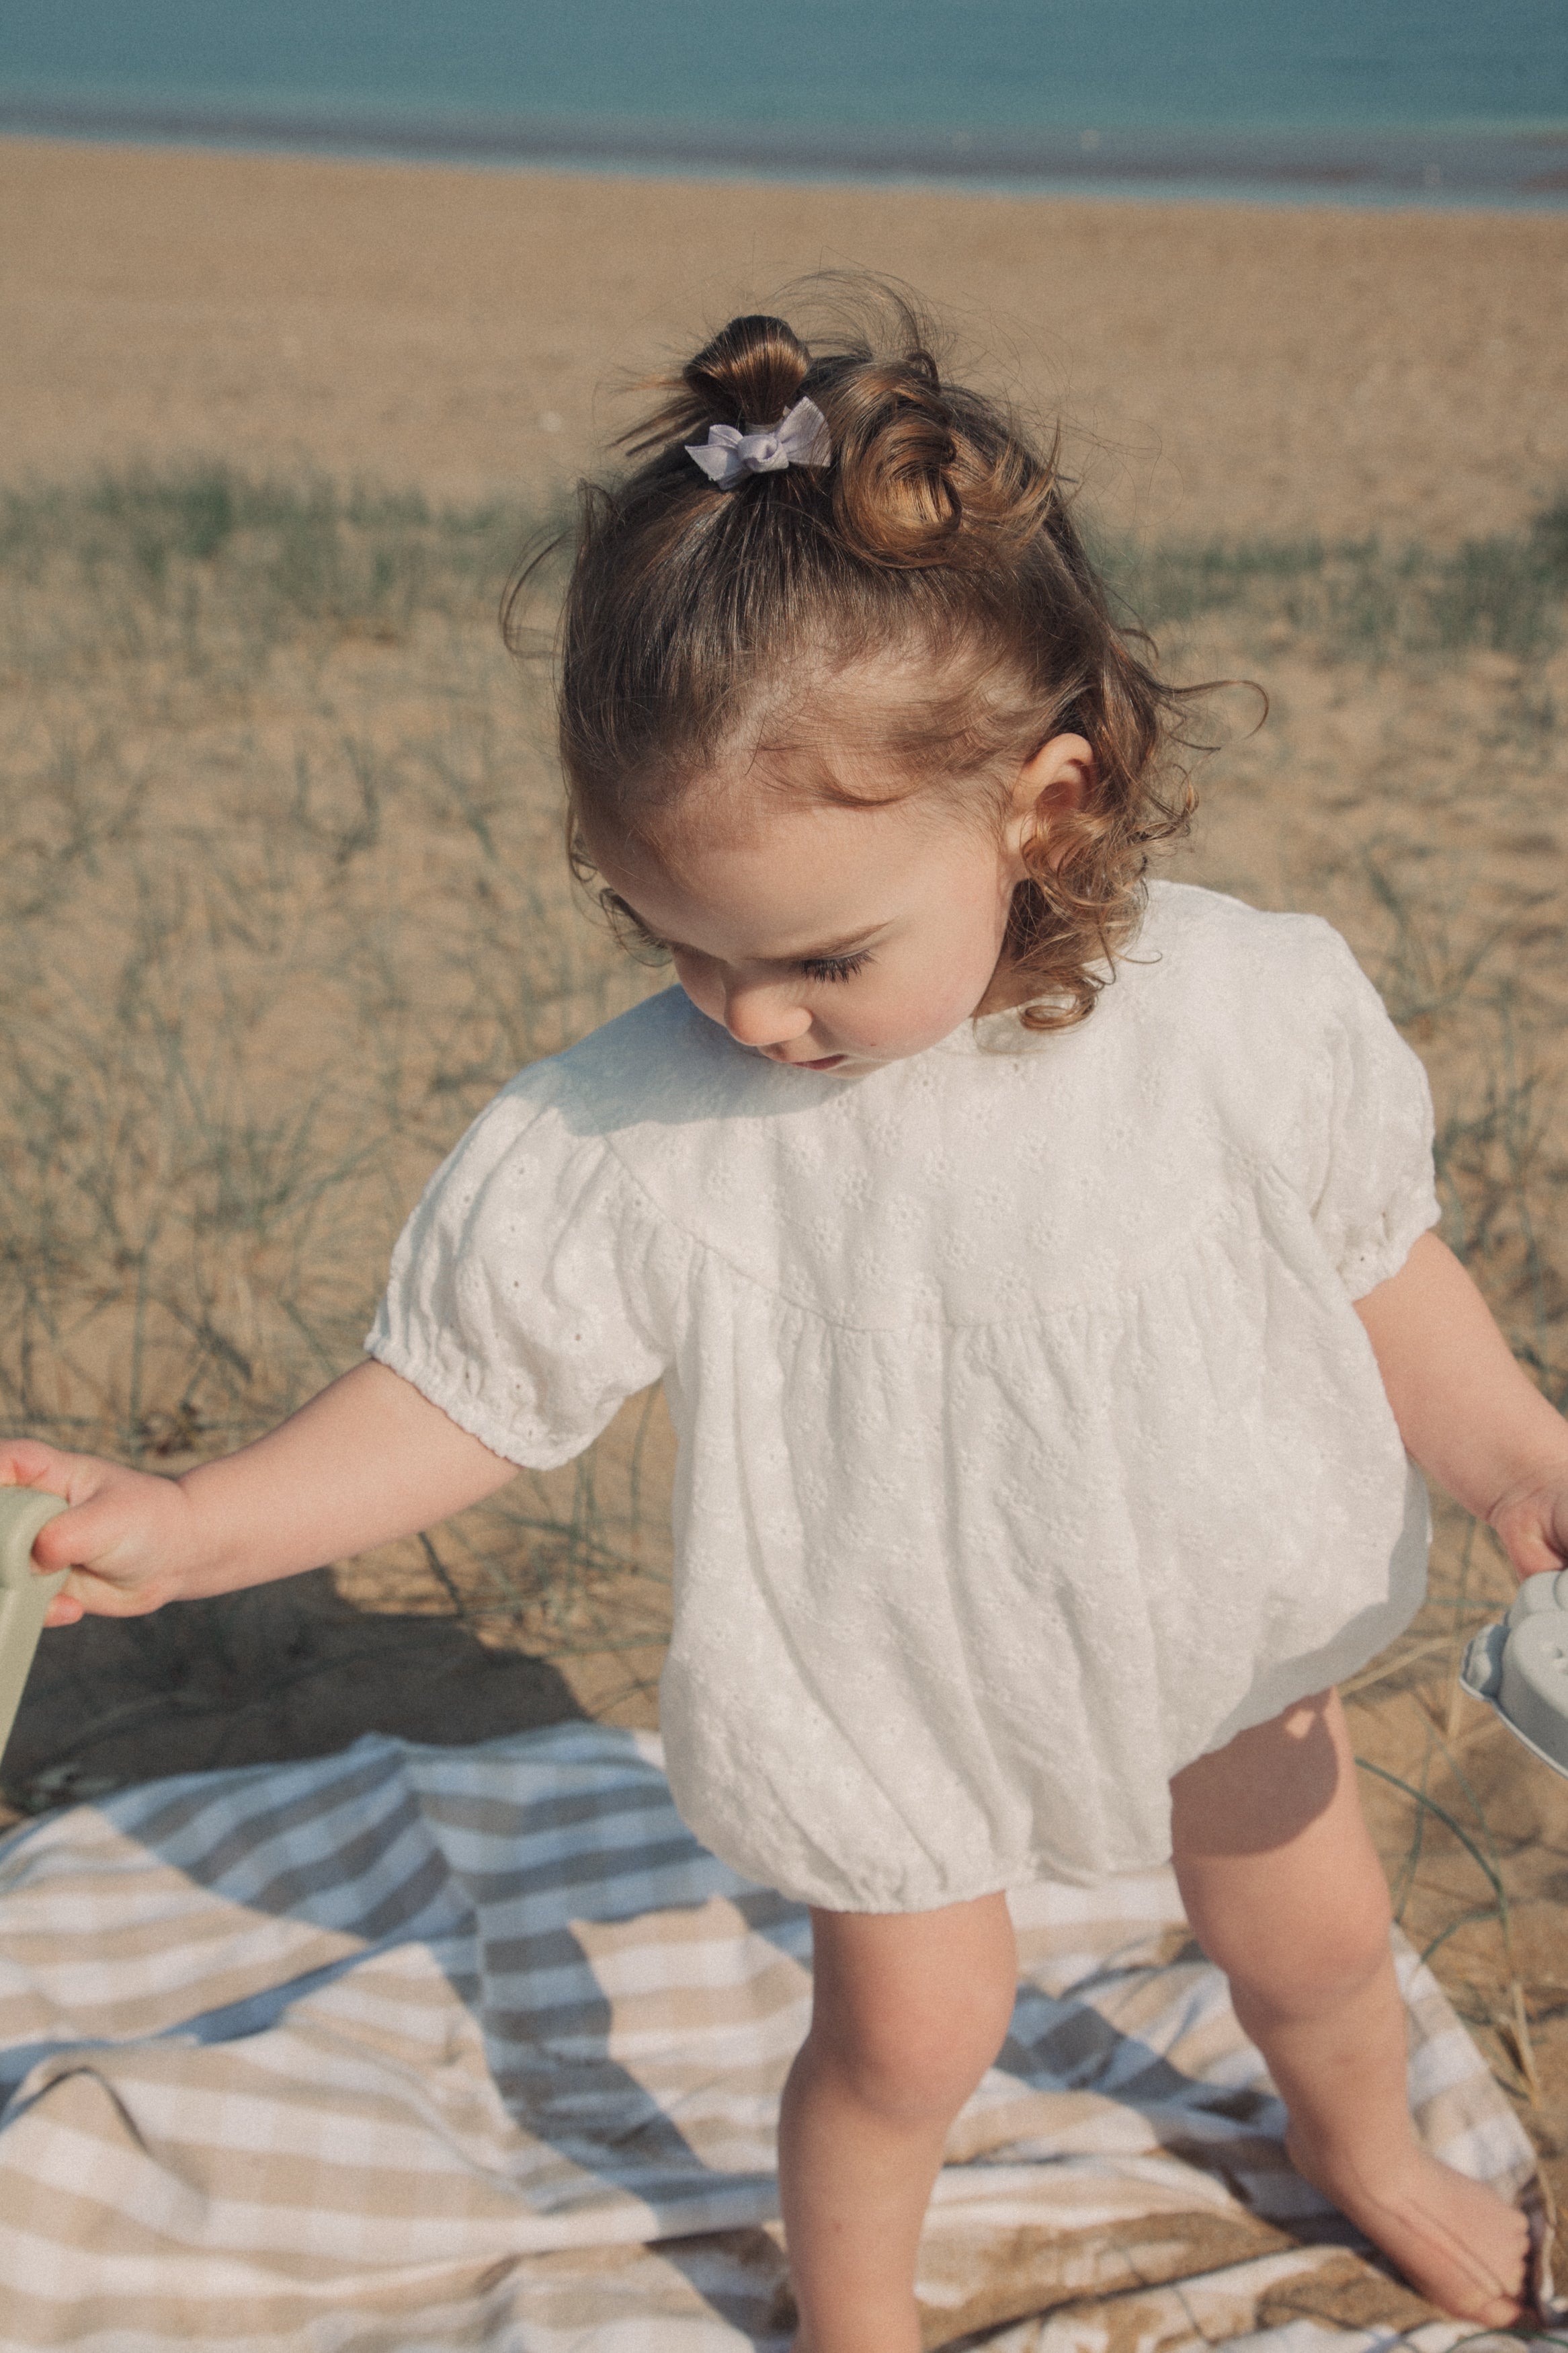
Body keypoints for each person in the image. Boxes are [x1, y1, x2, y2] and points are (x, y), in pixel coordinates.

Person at [5, 288, 1560, 2350]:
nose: (747, 1014)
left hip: (1217, 1607)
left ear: (1048, 808)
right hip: (883, 1665)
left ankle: (1363, 2145)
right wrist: (203, 1526)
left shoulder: (1240, 1020)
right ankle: (853, 2314)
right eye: (671, 941)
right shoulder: (649, 1126)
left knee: (1320, 1933)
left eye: (819, 953)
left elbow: (1383, 1263)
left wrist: (1523, 1450)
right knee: (912, 2032)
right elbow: (470, 1391)